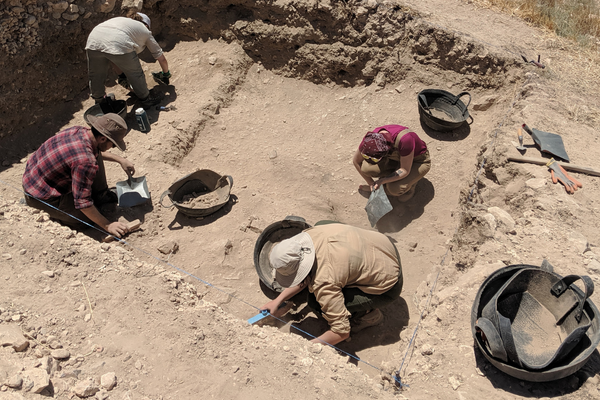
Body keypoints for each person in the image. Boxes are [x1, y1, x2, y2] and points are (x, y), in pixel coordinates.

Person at [261, 223, 403, 346]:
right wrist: (278, 300)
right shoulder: (311, 234)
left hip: (390, 282)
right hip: (383, 245)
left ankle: (368, 316)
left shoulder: (324, 281)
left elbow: (341, 332)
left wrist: (305, 346)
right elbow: (307, 271)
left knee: (316, 303)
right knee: (325, 224)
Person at [22, 113, 134, 238]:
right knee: (86, 221)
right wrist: (108, 225)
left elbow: (86, 154)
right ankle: (47, 211)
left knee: (95, 155)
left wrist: (120, 160)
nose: (112, 147)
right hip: (42, 195)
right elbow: (83, 203)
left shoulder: (80, 131)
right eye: (113, 144)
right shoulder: (85, 161)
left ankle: (101, 196)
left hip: (36, 177)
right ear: (103, 138)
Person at [85, 11, 171, 109]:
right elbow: (161, 59)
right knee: (135, 73)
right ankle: (147, 99)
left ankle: (100, 102)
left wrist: (121, 76)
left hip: (93, 39)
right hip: (119, 41)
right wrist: (165, 74)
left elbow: (113, 55)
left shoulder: (121, 21)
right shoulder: (144, 30)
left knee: (96, 75)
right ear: (146, 25)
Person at [353, 125, 431, 200]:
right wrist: (371, 183)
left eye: (375, 159)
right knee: (366, 169)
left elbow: (404, 170)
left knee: (394, 188)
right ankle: (387, 182)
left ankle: (410, 186)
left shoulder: (405, 140)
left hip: (418, 161)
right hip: (395, 159)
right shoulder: (370, 140)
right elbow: (356, 161)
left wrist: (382, 181)